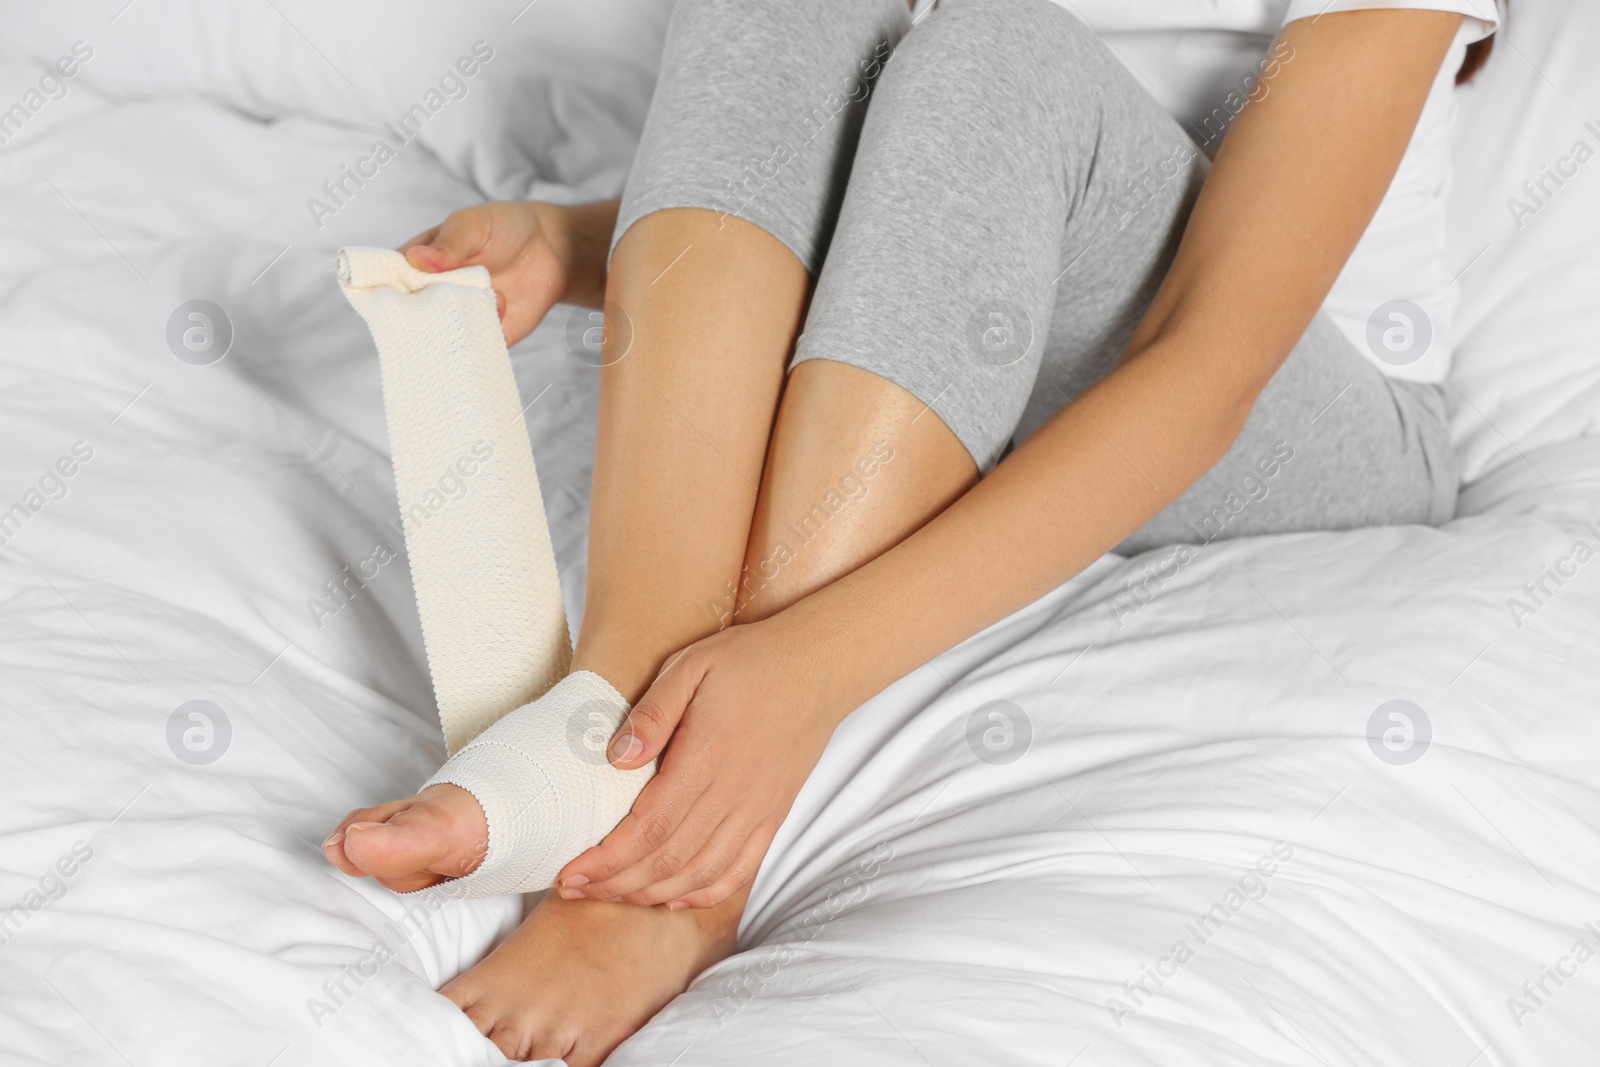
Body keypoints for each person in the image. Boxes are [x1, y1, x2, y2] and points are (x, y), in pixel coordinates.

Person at [322, 0, 1499, 1061]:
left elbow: (1209, 352)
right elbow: (910, 164)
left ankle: (670, 866)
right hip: (1018, 299)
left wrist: (814, 666)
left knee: (1004, 49)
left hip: (1291, 401)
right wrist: (582, 242)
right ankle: (618, 712)